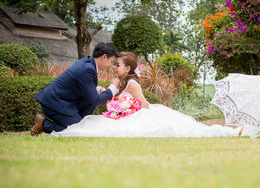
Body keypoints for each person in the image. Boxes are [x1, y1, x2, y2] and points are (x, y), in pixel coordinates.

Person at [53, 52, 241, 138]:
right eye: (114, 64)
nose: (114, 68)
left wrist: (125, 110)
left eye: (117, 65)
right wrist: (109, 95)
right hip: (128, 114)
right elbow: (118, 99)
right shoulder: (122, 84)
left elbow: (143, 104)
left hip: (141, 114)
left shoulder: (132, 84)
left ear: (128, 68)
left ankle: (225, 132)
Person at [31, 43, 120, 136]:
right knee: (77, 132)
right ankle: (43, 124)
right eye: (111, 61)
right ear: (104, 57)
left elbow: (83, 85)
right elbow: (96, 101)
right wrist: (113, 87)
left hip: (61, 101)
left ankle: (79, 123)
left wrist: (99, 89)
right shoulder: (88, 69)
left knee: (82, 126)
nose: (110, 65)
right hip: (54, 102)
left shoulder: (89, 63)